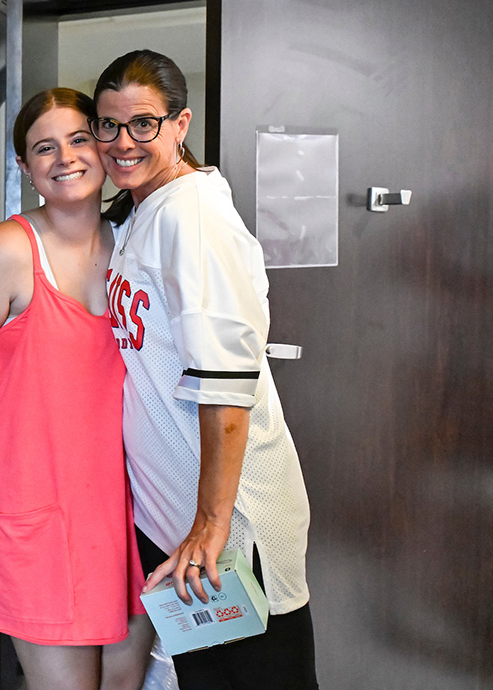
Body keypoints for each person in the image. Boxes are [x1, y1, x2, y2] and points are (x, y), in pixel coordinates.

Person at [93, 50, 318, 689]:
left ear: (180, 123)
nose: (121, 143)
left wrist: (211, 524)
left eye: (143, 124)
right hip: (180, 518)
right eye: (107, 125)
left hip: (229, 522)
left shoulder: (194, 216)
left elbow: (227, 383)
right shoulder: (145, 211)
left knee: (260, 678)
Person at [0, 88, 153, 690]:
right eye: (43, 148)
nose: (65, 157)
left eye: (79, 139)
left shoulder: (133, 245)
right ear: (25, 168)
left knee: (125, 683)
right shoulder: (8, 252)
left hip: (127, 508)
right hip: (38, 512)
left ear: (104, 147)